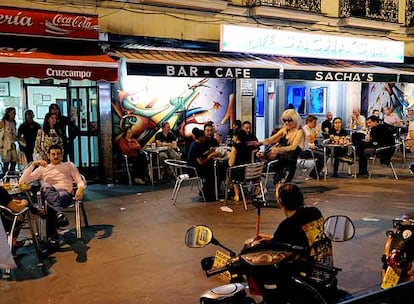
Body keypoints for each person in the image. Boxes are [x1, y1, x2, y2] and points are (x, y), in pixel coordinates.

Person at [19, 144, 85, 249]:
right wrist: (33, 164)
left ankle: (53, 239)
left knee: (49, 205)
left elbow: (79, 180)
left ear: (62, 155)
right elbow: (23, 181)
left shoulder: (69, 165)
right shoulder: (43, 168)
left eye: (58, 154)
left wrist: (80, 189)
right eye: (53, 154)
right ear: (48, 156)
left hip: (64, 194)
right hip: (49, 193)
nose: (56, 156)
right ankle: (59, 214)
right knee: (45, 186)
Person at [272, 183, 332, 266]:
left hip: (304, 269)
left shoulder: (286, 226)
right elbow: (303, 238)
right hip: (323, 263)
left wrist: (257, 244)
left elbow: (274, 248)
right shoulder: (314, 212)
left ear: (280, 202)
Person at [257, 109, 304, 184]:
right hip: (281, 161)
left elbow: (293, 147)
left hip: (290, 163)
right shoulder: (284, 130)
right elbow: (271, 139)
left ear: (295, 120)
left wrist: (278, 149)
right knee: (277, 182)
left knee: (283, 183)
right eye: (285, 120)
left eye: (289, 120)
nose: (287, 122)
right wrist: (259, 143)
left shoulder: (299, 131)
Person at [228, 129, 252, 202]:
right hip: (248, 173)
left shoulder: (235, 147)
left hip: (238, 173)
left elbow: (231, 163)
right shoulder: (248, 146)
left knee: (228, 169)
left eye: (233, 136)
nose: (232, 138)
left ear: (237, 137)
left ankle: (236, 195)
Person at [300, 115, 324, 179]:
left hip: (310, 148)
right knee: (322, 156)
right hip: (304, 151)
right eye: (314, 123)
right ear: (308, 122)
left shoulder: (310, 129)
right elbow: (311, 140)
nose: (315, 124)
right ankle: (314, 173)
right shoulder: (305, 129)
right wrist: (316, 132)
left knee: (325, 153)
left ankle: (316, 171)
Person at [0, 107, 18, 173]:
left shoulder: (13, 123)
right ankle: (5, 177)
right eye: (13, 113)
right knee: (6, 163)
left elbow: (14, 135)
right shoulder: (2, 122)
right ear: (8, 113)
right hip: (4, 146)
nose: (14, 114)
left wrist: (19, 139)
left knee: (14, 160)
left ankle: (11, 175)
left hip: (12, 144)